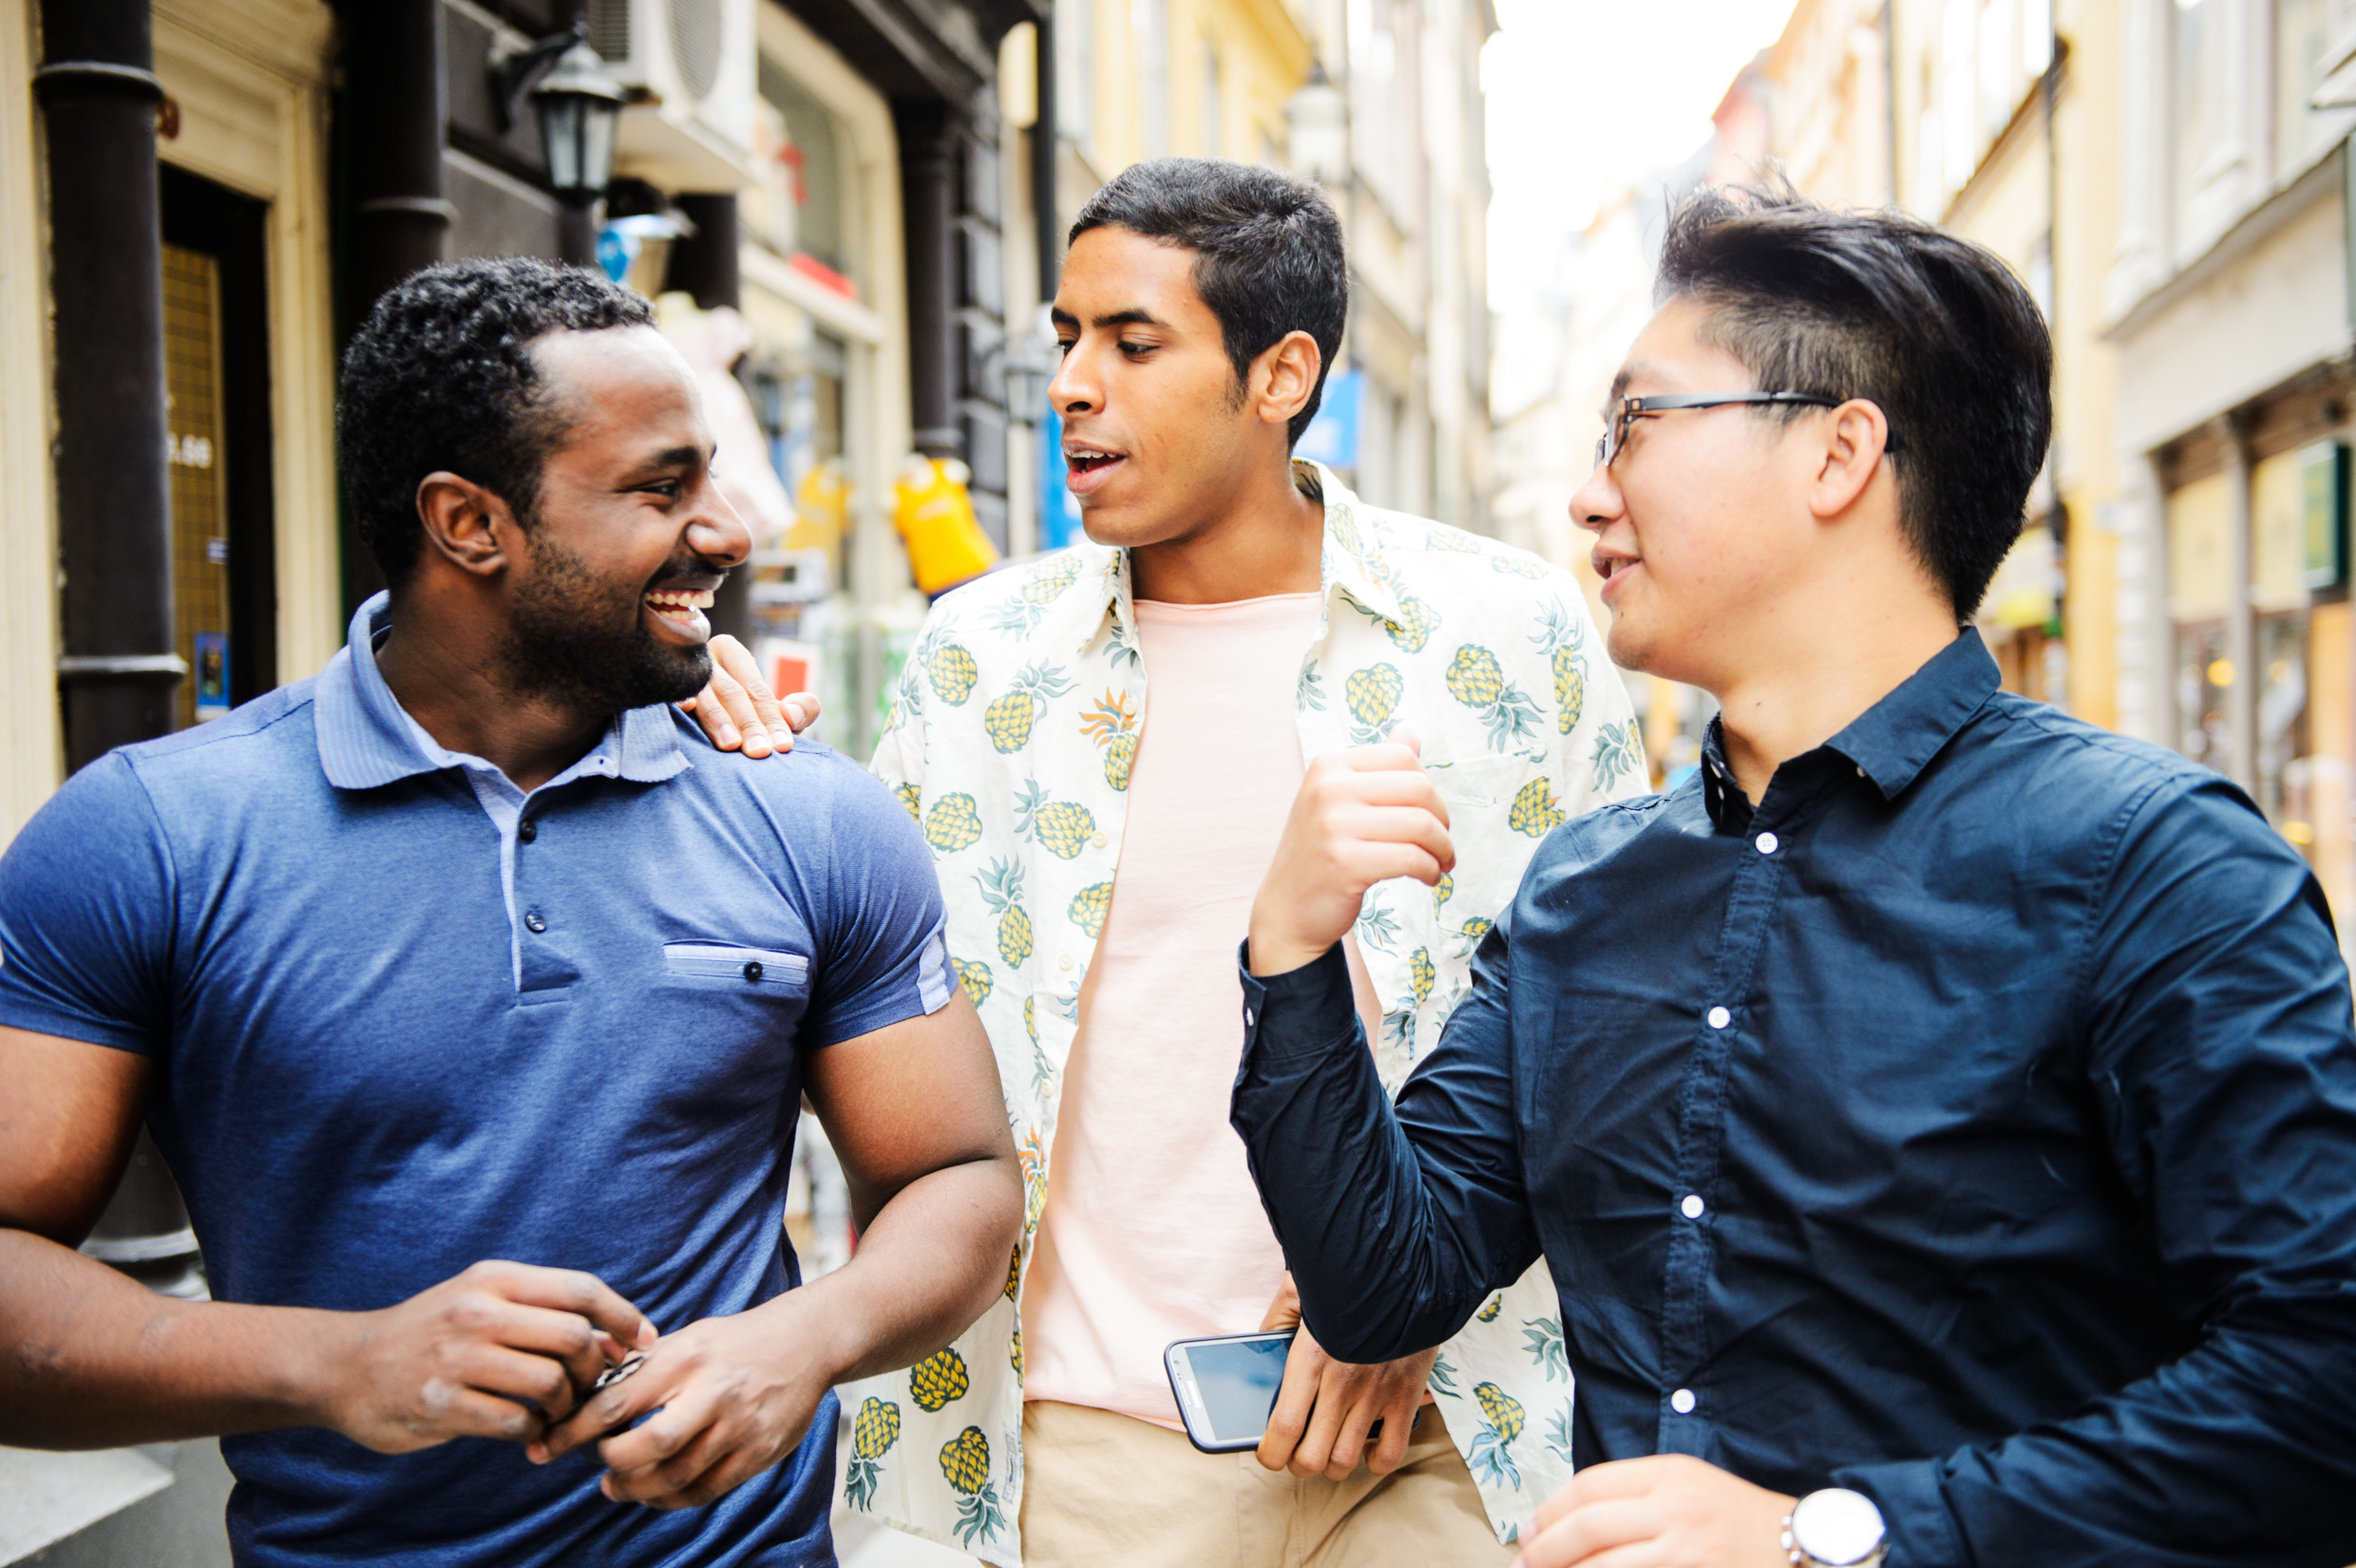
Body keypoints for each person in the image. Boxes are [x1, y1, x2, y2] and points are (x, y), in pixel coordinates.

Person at [1228, 184, 2356, 1568]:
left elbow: (2317, 1392)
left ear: (1839, 454)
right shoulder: (1584, 891)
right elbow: (1387, 1286)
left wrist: (1835, 1536)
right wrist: (1290, 954)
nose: (1589, 492)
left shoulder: (2156, 864)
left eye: (1636, 424)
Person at [0, 257, 1022, 1568]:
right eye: (661, 488)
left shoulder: (807, 815)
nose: (727, 530)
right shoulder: (154, 835)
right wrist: (337, 1364)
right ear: (469, 524)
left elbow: (958, 1177)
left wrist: (803, 1341)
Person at [781, 157, 1644, 1567]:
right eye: (1066, 338)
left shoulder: (1506, 632)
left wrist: (1404, 1294)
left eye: (1133, 344)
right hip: (1083, 1445)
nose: (1072, 385)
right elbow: (862, 996)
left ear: (1280, 375)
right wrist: (726, 750)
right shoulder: (978, 660)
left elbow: (1616, 1017)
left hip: (1446, 1426)